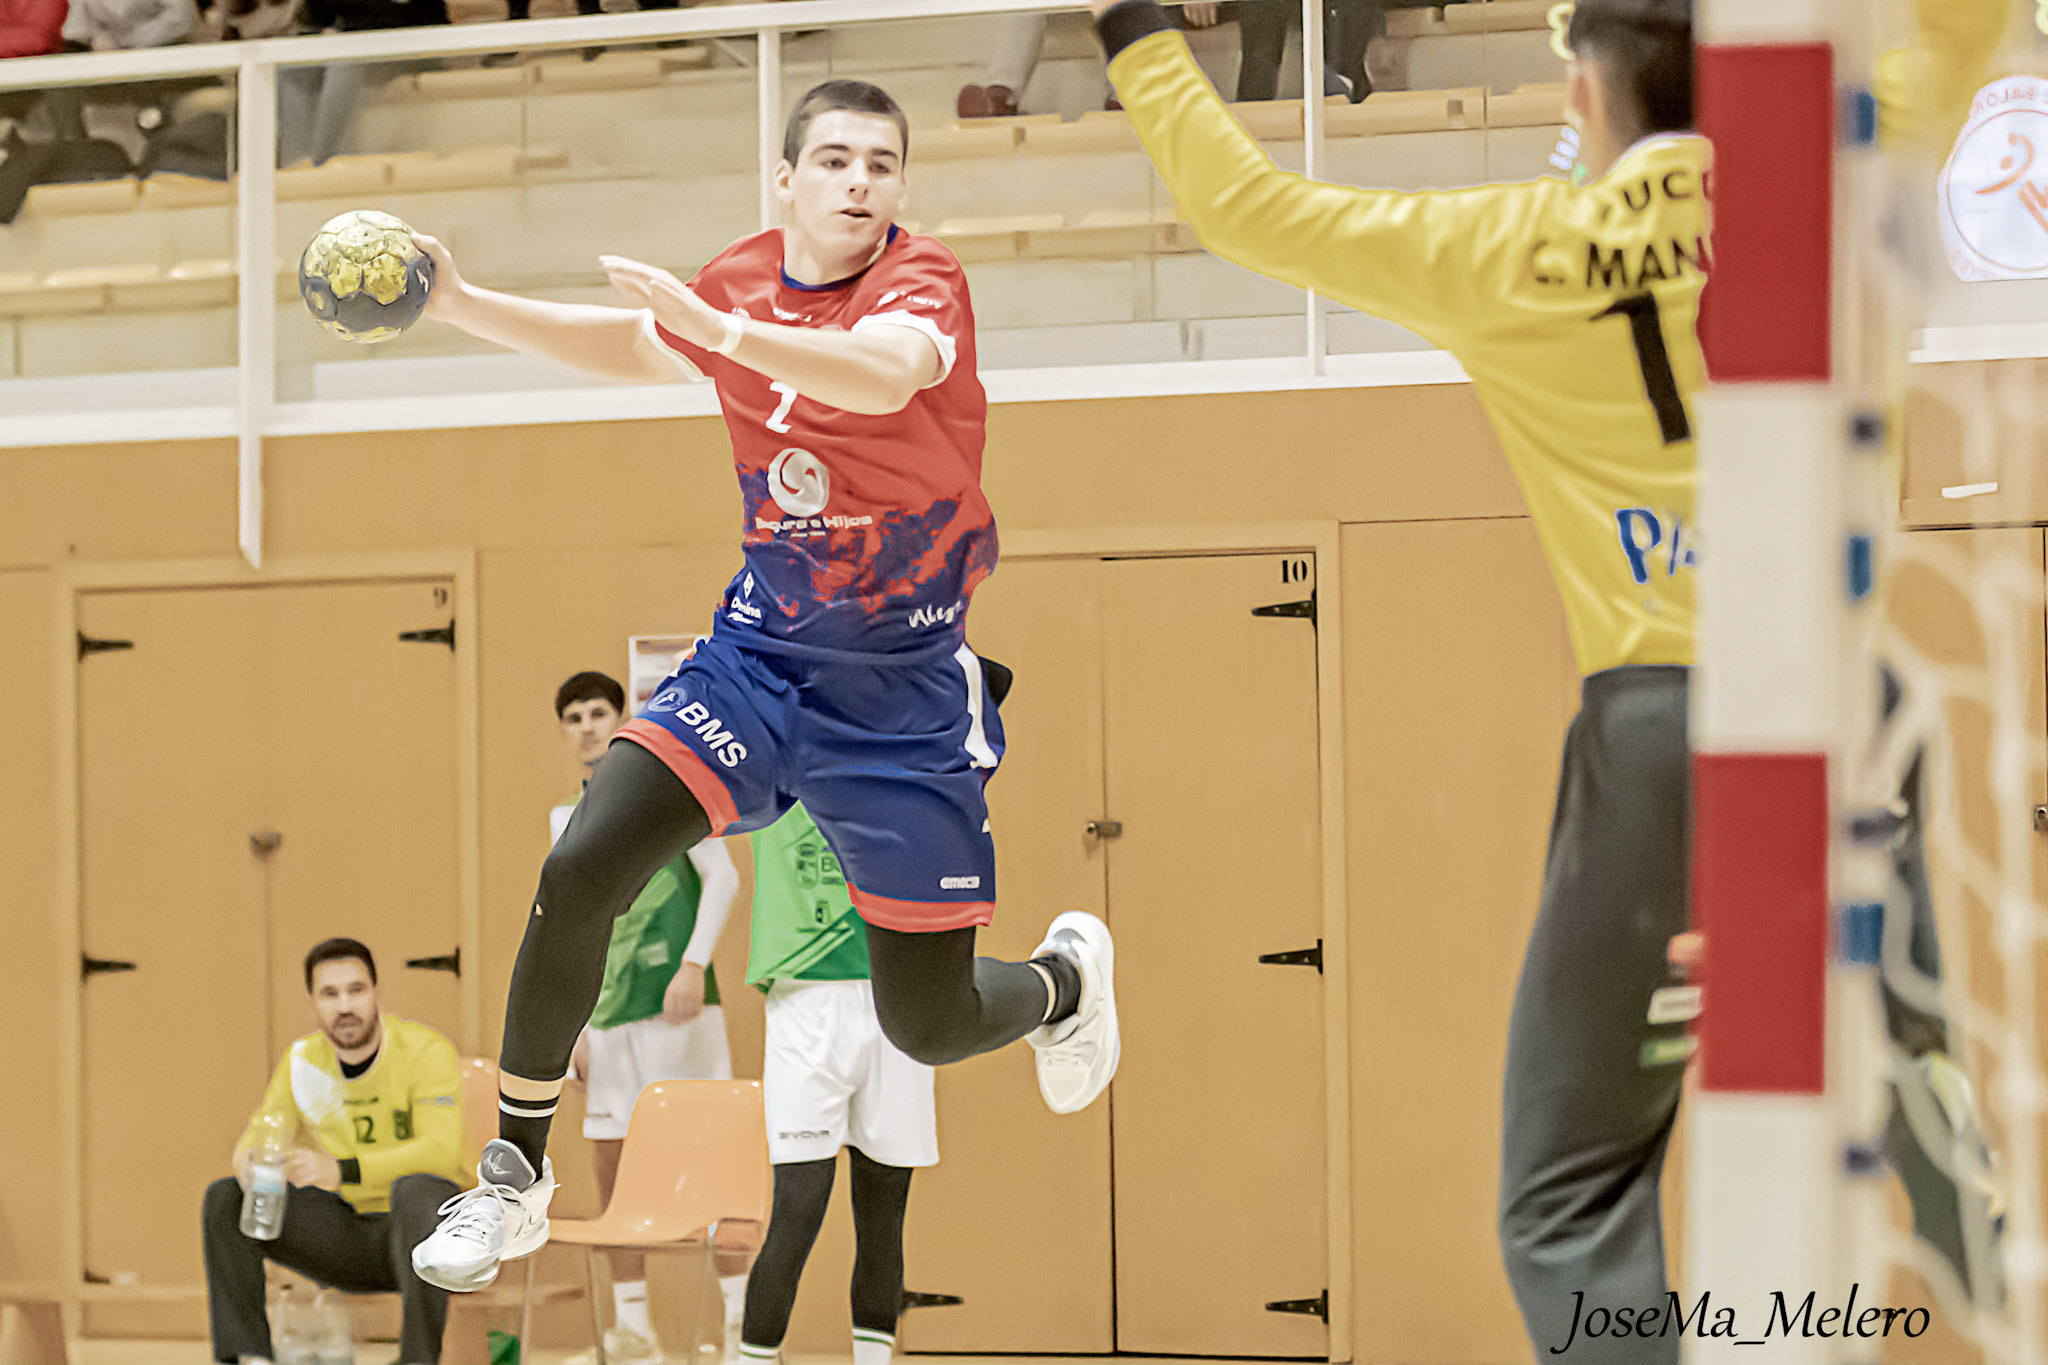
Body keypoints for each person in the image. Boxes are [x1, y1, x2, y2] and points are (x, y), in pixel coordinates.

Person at [1081, 0, 2010, 1358]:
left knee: (1568, 1192)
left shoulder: (1506, 248)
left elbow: (1243, 207)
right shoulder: (1839, 176)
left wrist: (1134, 28)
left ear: (1584, 89)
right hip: (1849, 710)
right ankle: (1977, 1219)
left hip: (1664, 735)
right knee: (1903, 1055)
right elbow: (1971, 24)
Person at [404, 78, 1120, 1296]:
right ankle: (514, 1181)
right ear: (784, 179)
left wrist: (726, 338)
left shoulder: (921, 281)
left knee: (928, 1022)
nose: (858, 180)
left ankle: (1062, 983)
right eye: (833, 159)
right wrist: (464, 303)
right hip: (761, 658)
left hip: (898, 698)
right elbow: (632, 346)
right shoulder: (736, 280)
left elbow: (880, 376)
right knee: (584, 864)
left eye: (880, 163)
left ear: (901, 186)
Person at [738, 652, 1011, 1365]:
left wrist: (901, 663)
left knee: (883, 1213)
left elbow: (994, 678)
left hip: (897, 994)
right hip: (806, 1002)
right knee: (796, 1211)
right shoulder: (781, 751)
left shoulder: (915, 758)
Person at [550, 668, 747, 1365]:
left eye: (597, 712)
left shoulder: (670, 791)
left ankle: (739, 1329)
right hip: (608, 1018)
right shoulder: (564, 817)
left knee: (716, 1163)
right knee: (613, 1167)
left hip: (677, 1013)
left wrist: (694, 963)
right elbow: (572, 924)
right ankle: (634, 1333)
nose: (587, 726)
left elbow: (723, 876)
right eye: (574, 716)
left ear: (622, 717)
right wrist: (574, 1026)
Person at [202, 939, 464, 1365]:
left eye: (356, 990)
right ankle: (250, 1357)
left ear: (376, 992)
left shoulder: (425, 1050)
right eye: (330, 994)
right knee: (226, 1199)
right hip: (348, 1234)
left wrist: (343, 1170)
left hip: (422, 1237)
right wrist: (253, 1163)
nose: (345, 1006)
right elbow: (263, 1132)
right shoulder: (302, 1061)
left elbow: (441, 1153)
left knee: (418, 1191)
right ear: (312, 1003)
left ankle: (418, 1361)